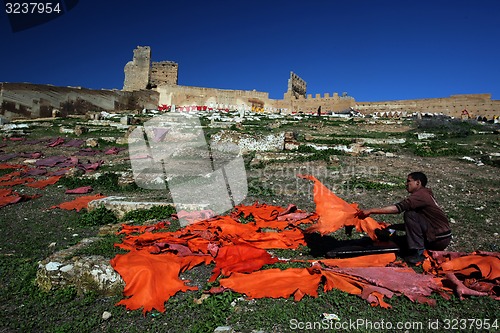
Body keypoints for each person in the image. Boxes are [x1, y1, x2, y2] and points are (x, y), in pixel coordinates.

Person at [357, 172, 451, 264]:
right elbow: (417, 224)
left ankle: (417, 253)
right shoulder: (425, 194)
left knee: (409, 214)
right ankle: (415, 247)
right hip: (440, 237)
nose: (406, 184)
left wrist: (371, 210)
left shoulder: (420, 195)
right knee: (397, 240)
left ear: (418, 182)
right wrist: (393, 227)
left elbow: (398, 208)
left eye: (409, 181)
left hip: (438, 239)